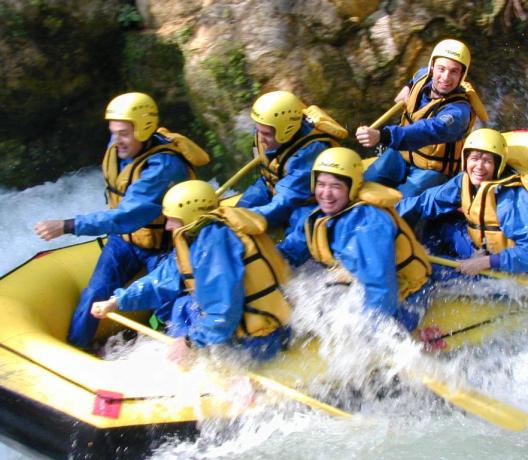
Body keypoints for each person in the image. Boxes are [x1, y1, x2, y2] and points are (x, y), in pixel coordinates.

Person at [34, 92, 210, 349]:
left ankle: (176, 351)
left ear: (144, 128)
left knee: (168, 304)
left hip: (163, 245)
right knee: (95, 292)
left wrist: (68, 225)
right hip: (125, 241)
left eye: (123, 133)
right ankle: (77, 348)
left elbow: (127, 216)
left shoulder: (164, 166)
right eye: (113, 132)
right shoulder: (119, 146)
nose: (116, 140)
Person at [91, 180, 292, 362]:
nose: (168, 226)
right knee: (181, 306)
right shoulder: (196, 237)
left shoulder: (215, 245)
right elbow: (163, 278)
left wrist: (189, 342)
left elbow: (224, 310)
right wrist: (118, 300)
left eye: (172, 219)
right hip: (237, 326)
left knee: (187, 318)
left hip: (261, 338)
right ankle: (180, 356)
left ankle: (192, 362)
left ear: (190, 215)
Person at [278, 147, 432, 332]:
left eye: (336, 186)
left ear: (351, 188)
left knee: (349, 330)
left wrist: (369, 333)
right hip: (359, 281)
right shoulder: (320, 216)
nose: (325, 194)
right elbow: (288, 251)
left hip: (407, 295)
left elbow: (381, 286)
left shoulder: (368, 225)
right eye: (321, 184)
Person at [397, 128, 528, 275]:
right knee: (438, 221)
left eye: (487, 161)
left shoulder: (511, 199)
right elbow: (426, 202)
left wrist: (486, 262)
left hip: (507, 269)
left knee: (429, 273)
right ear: (466, 160)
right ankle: (430, 256)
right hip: (481, 250)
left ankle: (436, 270)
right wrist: (388, 212)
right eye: (474, 159)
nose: (479, 166)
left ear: (498, 165)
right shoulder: (464, 181)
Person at [355, 39, 488, 197]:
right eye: (441, 69)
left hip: (432, 169)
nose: (445, 77)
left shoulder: (458, 113)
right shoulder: (422, 76)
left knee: (402, 205)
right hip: (403, 153)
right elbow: (415, 77)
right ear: (432, 67)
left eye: (454, 71)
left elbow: (427, 130)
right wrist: (407, 87)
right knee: (366, 183)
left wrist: (383, 135)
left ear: (462, 75)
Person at [237, 90, 348, 230]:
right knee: (239, 211)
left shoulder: (309, 152)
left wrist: (249, 218)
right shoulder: (265, 129)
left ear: (286, 130)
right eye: (258, 130)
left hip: (305, 202)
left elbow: (286, 199)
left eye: (266, 134)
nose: (260, 138)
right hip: (269, 184)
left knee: (300, 230)